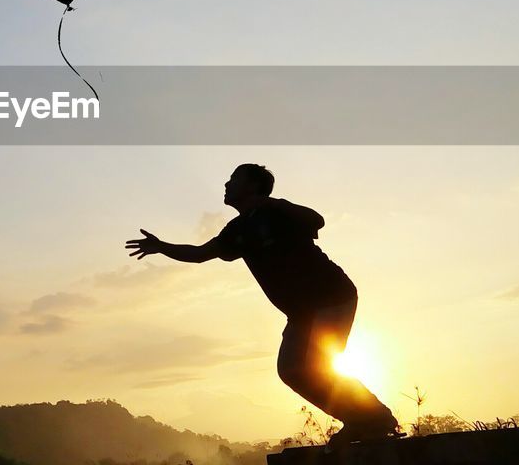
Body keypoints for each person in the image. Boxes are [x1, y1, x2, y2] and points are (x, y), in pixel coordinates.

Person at [124, 164, 399, 447]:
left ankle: (374, 420)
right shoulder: (237, 230)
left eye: (234, 179)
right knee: (291, 370)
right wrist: (161, 247)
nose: (227, 184)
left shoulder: (276, 211)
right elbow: (199, 254)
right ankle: (361, 420)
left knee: (315, 367)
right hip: (301, 313)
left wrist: (272, 203)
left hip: (332, 297)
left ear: (253, 186)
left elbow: (316, 220)